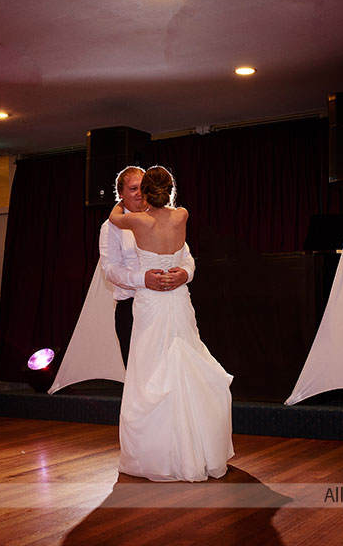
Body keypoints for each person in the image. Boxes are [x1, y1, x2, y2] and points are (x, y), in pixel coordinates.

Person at [109, 166, 234, 482]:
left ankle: (161, 455)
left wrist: (119, 201)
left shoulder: (136, 221)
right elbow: (111, 268)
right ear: (171, 189)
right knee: (184, 370)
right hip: (176, 302)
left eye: (140, 188)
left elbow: (115, 216)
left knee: (151, 373)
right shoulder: (182, 216)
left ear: (147, 192)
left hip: (154, 305)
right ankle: (197, 452)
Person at [99, 166, 195, 366]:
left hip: (171, 303)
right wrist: (143, 280)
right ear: (121, 193)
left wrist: (185, 274)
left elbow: (185, 255)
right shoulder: (111, 228)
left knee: (178, 365)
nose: (140, 193)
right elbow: (109, 268)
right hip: (133, 308)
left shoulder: (169, 218)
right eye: (134, 188)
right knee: (141, 369)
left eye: (143, 187)